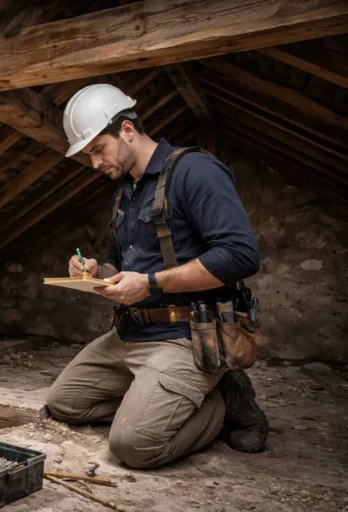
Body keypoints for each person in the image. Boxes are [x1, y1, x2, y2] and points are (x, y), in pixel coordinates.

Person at [46, 84, 268, 469]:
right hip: (130, 333)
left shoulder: (194, 171)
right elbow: (119, 268)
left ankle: (222, 402)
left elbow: (240, 255)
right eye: (88, 154)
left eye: (98, 149)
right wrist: (97, 271)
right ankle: (160, 401)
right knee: (63, 403)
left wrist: (151, 284)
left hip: (185, 336)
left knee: (133, 446)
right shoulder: (124, 194)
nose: (94, 163)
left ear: (127, 130)